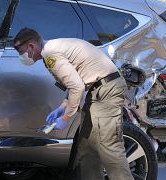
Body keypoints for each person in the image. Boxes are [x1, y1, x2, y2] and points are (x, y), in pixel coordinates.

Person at [13, 28, 133, 180]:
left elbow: (77, 86)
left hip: (107, 90)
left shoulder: (51, 54)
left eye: (21, 51)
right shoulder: (50, 50)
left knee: (109, 146)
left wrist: (66, 118)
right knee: (87, 148)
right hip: (99, 91)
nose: (21, 56)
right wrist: (63, 106)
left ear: (31, 46)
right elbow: (74, 82)